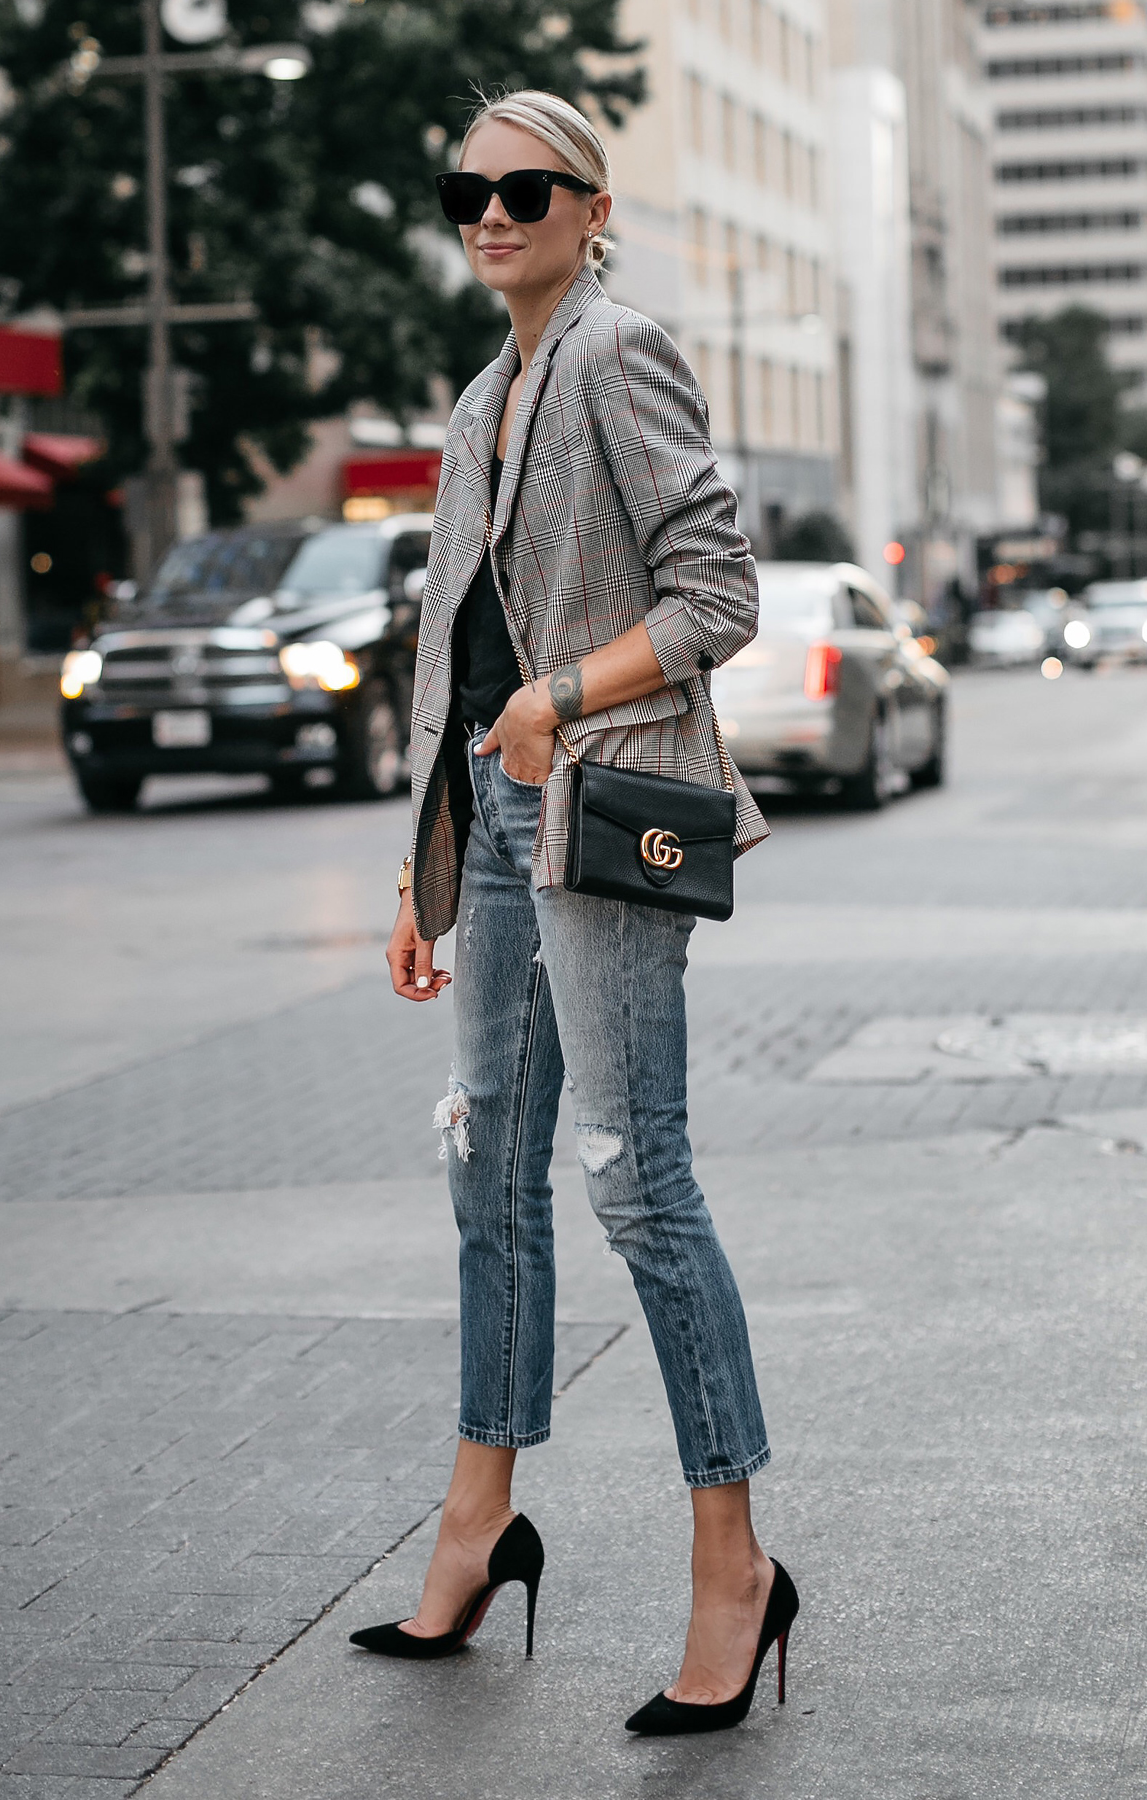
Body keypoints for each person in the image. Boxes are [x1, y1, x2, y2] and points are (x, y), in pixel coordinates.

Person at [351, 88, 799, 1737]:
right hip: (492, 821)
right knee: (489, 1167)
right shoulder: (482, 394)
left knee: (634, 1178)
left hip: (600, 807)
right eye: (465, 188)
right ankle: (479, 1524)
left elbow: (719, 593)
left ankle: (733, 1561)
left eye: (524, 189)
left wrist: (558, 699)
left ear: (590, 206)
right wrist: (421, 873)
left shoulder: (619, 353)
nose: (489, 212)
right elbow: (449, 659)